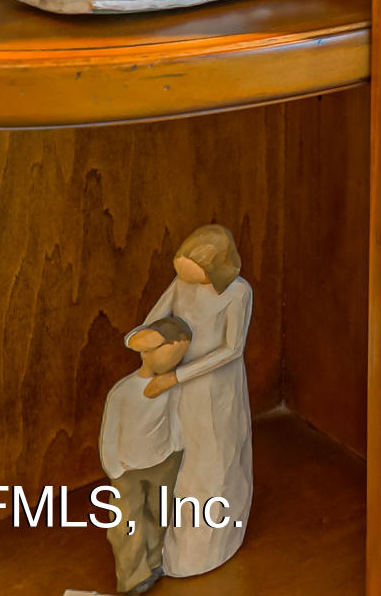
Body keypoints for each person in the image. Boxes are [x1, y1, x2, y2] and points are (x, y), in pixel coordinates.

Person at [141, 225, 254, 573]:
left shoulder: (238, 293)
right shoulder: (181, 284)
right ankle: (173, 550)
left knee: (214, 463)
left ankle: (211, 545)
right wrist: (148, 347)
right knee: (179, 464)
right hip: (177, 387)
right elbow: (155, 320)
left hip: (217, 390)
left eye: (195, 273)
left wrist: (178, 375)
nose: (186, 280)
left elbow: (232, 349)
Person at [99, 315, 189, 594]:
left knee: (159, 515)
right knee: (126, 524)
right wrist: (115, 469)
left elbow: (174, 417)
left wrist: (176, 448)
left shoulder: (171, 386)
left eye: (179, 355)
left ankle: (153, 563)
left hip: (164, 462)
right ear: (147, 351)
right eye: (170, 353)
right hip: (128, 470)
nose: (174, 360)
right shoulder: (123, 392)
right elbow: (110, 433)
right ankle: (132, 578)